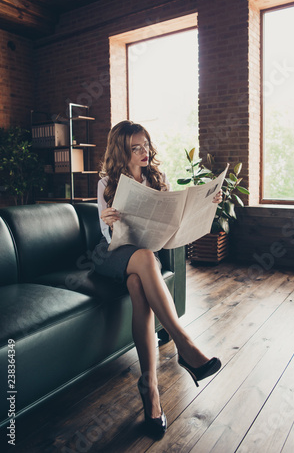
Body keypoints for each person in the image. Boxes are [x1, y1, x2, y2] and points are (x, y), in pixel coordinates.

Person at [94, 120, 222, 436]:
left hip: (142, 259)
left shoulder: (156, 178)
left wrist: (208, 205)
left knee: (139, 283)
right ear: (121, 151)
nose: (144, 152)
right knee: (144, 258)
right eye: (136, 147)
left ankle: (149, 387)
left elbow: (170, 224)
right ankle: (185, 345)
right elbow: (105, 234)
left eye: (146, 145)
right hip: (110, 254)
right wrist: (107, 219)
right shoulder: (106, 181)